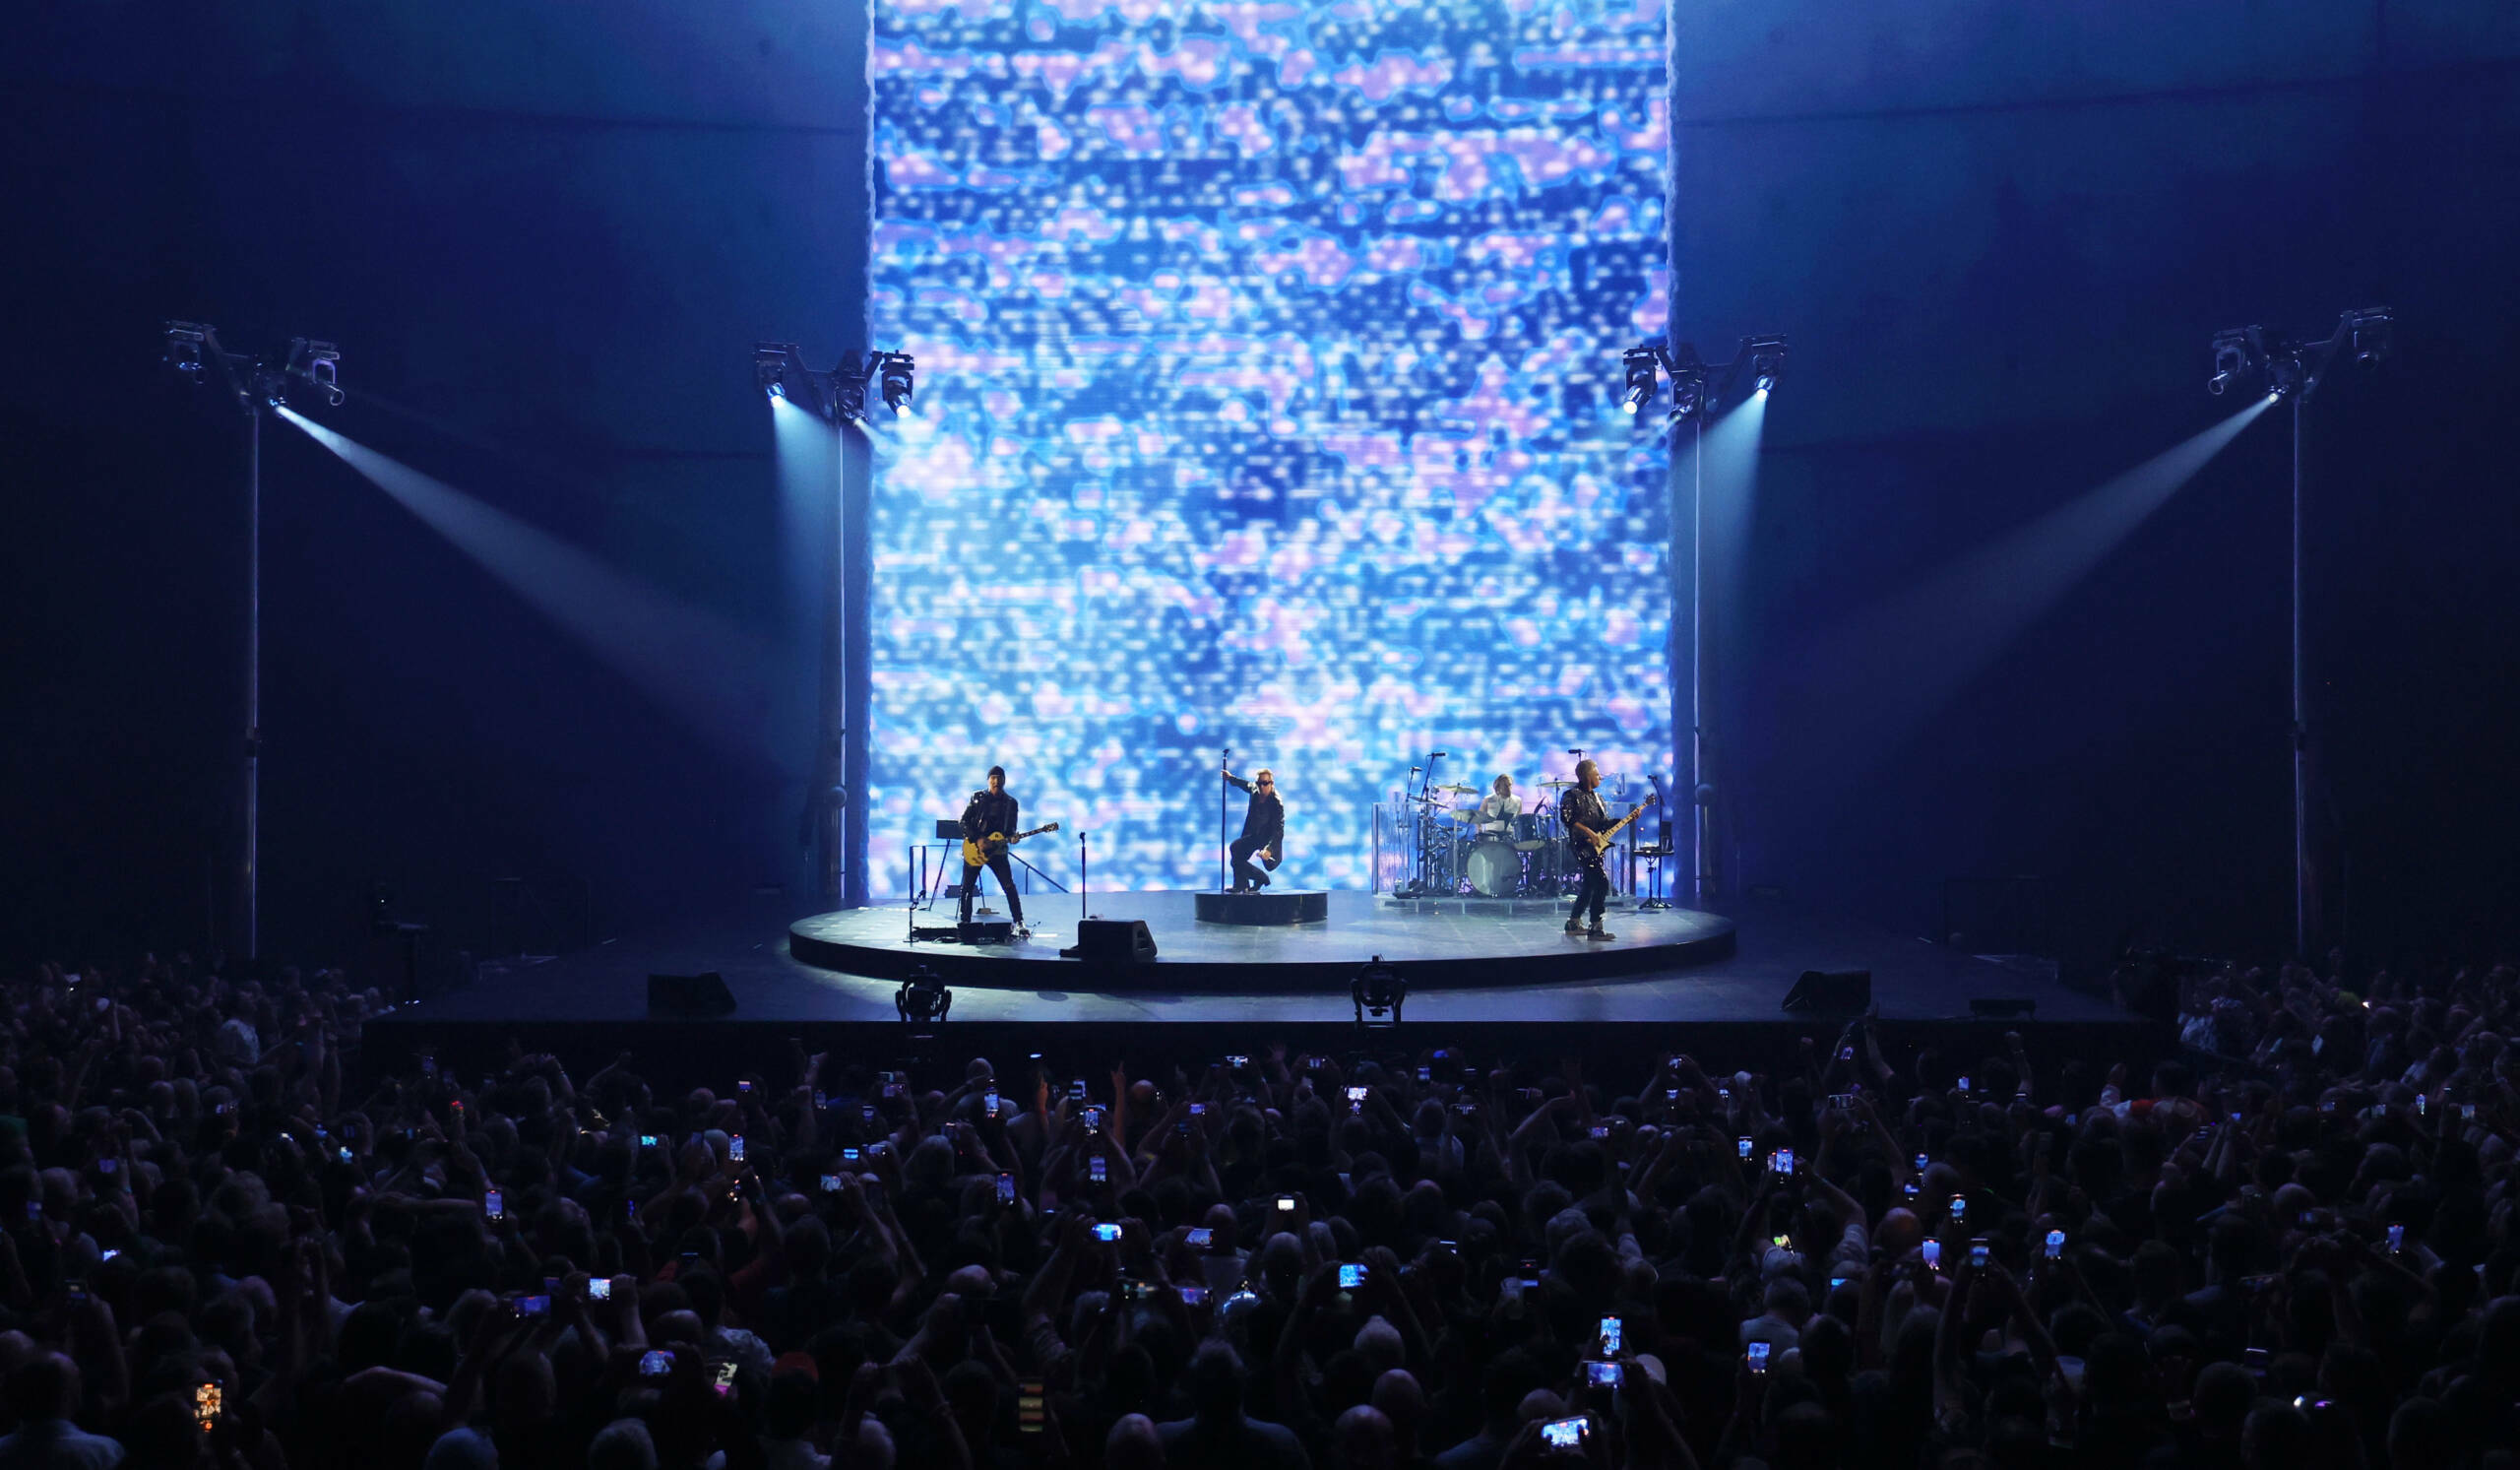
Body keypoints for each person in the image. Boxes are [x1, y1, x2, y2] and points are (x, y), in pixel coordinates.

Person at [959, 766, 1028, 933]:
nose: (996, 781)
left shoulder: (1011, 803)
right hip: (975, 849)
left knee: (1009, 886)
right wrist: (978, 839)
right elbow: (963, 822)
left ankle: (1019, 921)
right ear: (988, 780)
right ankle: (965, 923)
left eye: (999, 778)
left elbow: (1010, 830)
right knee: (967, 887)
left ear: (1004, 780)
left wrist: (1013, 838)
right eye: (993, 778)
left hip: (998, 851)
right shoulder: (978, 798)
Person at [1557, 760, 1613, 939]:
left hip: (1596, 847)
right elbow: (1568, 819)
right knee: (1602, 883)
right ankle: (1596, 927)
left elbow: (1604, 824)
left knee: (1590, 885)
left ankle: (1573, 922)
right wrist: (1589, 832)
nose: (1600, 778)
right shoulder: (1571, 795)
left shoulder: (1598, 798)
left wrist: (1628, 818)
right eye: (1597, 775)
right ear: (1588, 776)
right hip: (1582, 846)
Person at [1224, 768, 1285, 892]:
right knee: (1236, 853)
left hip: (1268, 839)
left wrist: (1269, 849)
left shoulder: (1276, 802)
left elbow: (1279, 830)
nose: (1262, 786)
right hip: (1255, 835)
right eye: (1259, 783)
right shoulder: (1255, 790)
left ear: (1271, 783)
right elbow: (1246, 784)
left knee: (1237, 861)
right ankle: (1243, 884)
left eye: (1265, 783)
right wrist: (1230, 778)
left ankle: (1260, 878)